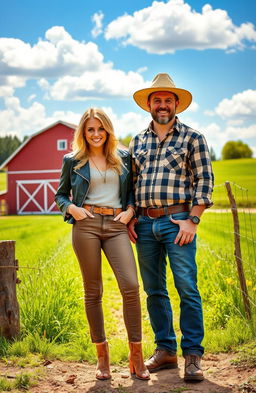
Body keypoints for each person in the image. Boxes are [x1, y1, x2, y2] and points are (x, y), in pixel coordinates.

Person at [128, 73, 214, 382]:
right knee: (154, 291)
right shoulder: (137, 141)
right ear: (148, 104)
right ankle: (165, 350)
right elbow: (131, 184)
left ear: (176, 104)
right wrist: (132, 217)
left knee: (187, 288)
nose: (162, 105)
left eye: (168, 100)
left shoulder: (193, 138)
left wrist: (193, 218)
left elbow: (205, 180)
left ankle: (193, 355)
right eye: (157, 100)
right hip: (145, 222)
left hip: (178, 223)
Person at [55, 108, 150, 381]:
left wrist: (130, 211)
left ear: (108, 130)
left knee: (131, 286)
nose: (96, 134)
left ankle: (136, 356)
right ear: (83, 133)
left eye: (100, 129)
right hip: (86, 225)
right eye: (90, 129)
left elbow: (131, 193)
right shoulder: (72, 160)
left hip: (116, 225)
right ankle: (102, 357)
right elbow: (61, 194)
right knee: (93, 291)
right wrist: (72, 208)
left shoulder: (123, 157)